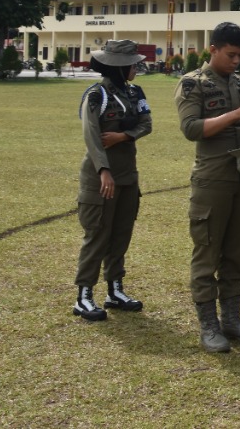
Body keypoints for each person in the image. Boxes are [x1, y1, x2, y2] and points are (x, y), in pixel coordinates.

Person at [175, 22, 240, 353]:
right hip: (212, 177)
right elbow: (191, 129)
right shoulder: (193, 83)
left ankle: (232, 319)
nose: (236, 61)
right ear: (213, 49)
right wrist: (235, 114)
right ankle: (209, 325)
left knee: (236, 251)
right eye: (230, 55)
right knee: (207, 251)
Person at [72, 40, 153, 322]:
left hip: (128, 175)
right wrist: (103, 170)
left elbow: (146, 123)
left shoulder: (134, 92)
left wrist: (123, 136)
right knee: (97, 235)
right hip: (100, 178)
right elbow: (92, 136)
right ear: (119, 66)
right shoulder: (97, 95)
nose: (136, 67)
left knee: (121, 233)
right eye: (132, 63)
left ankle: (115, 289)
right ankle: (84, 296)